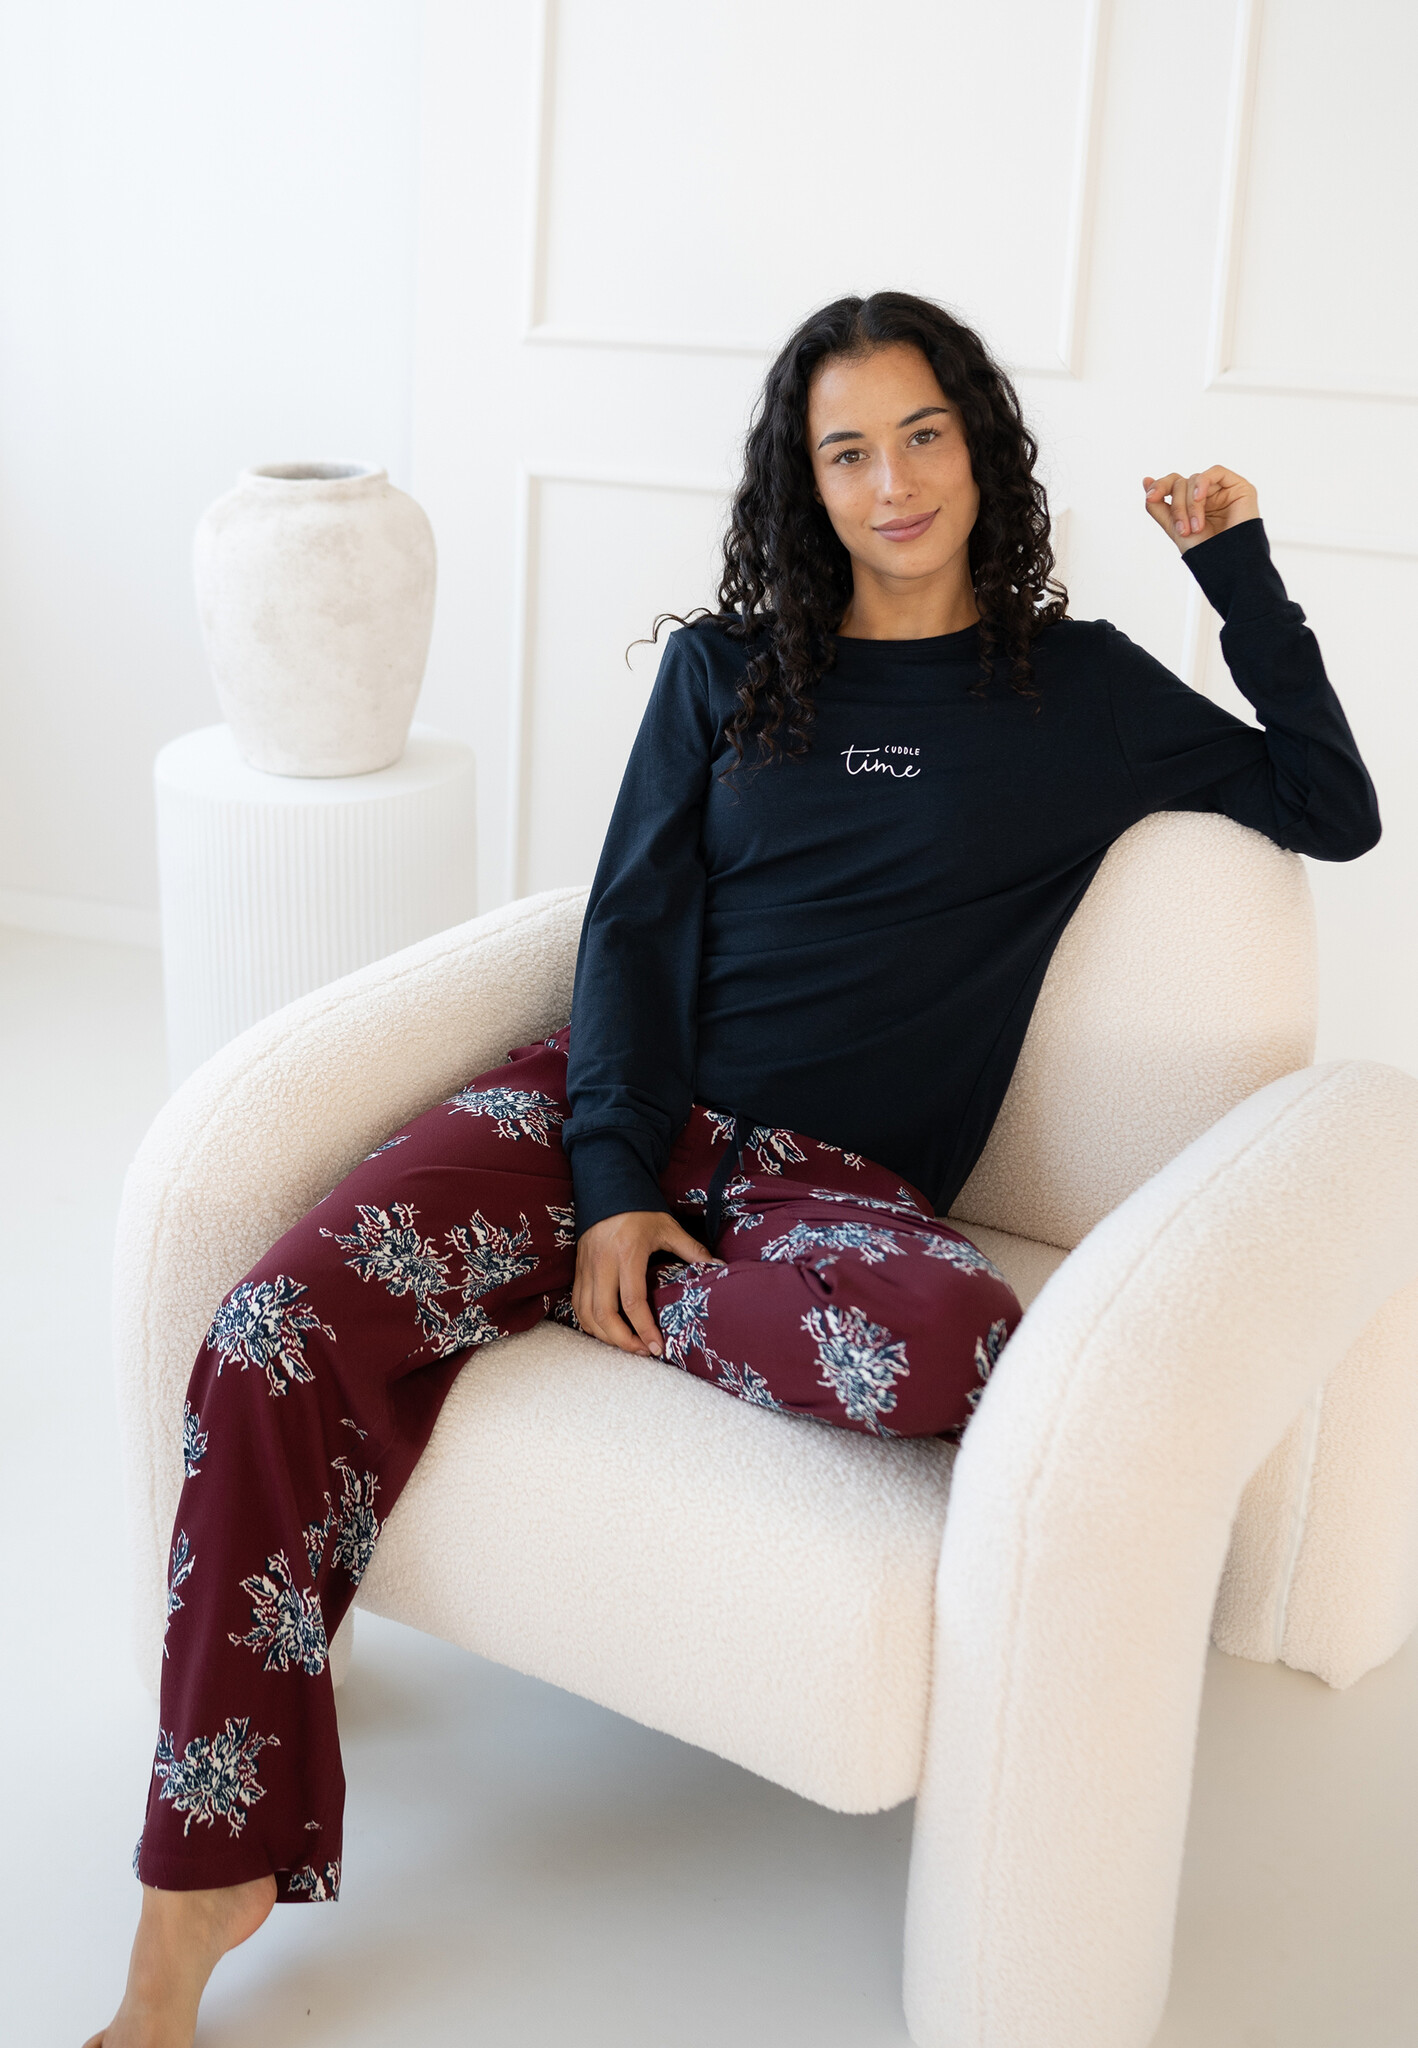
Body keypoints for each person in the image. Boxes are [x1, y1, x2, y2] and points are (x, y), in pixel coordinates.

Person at [88, 290, 1378, 2046]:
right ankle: (198, 1885)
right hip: (598, 1115)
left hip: (821, 1190)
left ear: (980, 447)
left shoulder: (1076, 693)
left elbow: (1329, 804)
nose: (892, 483)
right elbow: (626, 931)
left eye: (921, 435)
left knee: (952, 1347)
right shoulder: (726, 667)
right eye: (847, 453)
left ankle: (589, 1298)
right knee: (266, 1334)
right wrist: (613, 1181)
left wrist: (1234, 568)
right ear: (806, 484)